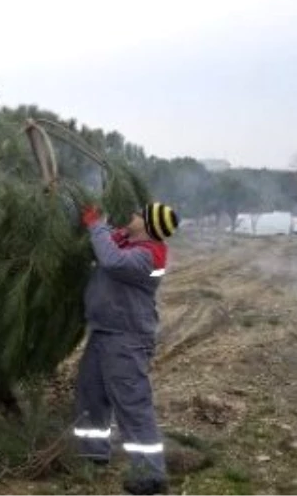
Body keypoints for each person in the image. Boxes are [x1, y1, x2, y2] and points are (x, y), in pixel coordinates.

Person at [73, 201, 179, 496]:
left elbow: (111, 260)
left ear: (147, 225)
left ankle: (151, 474)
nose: (130, 215)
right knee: (91, 394)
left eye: (137, 214)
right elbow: (107, 243)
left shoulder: (148, 257)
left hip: (126, 338)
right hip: (104, 332)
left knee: (132, 405)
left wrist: (96, 224)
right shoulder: (126, 240)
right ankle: (93, 453)